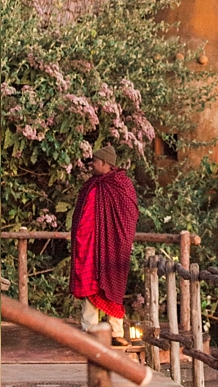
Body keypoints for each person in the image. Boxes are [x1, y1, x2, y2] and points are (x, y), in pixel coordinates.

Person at [68, 144, 139, 347]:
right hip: (90, 245)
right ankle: (89, 329)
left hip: (112, 247)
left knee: (112, 285)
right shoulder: (91, 185)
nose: (92, 165)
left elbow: (129, 216)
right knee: (90, 284)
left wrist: (116, 238)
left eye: (95, 162)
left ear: (106, 164)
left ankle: (115, 332)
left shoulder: (121, 185)